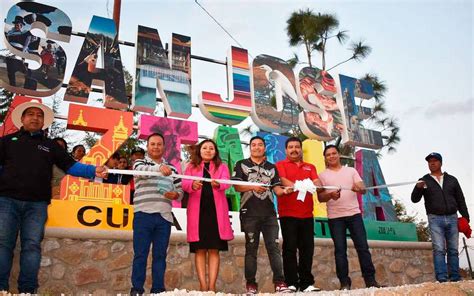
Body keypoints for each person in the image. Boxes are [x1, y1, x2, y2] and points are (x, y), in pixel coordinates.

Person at [0, 100, 107, 294]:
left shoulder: (50, 146)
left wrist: (94, 170)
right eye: (30, 114)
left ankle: (27, 290)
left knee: (32, 247)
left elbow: (71, 166)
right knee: (2, 244)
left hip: (37, 205)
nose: (35, 118)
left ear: (43, 121)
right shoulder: (6, 142)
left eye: (39, 115)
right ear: (22, 119)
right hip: (6, 201)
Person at [316, 145, 382, 290]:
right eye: (328, 155)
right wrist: (330, 195)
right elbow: (320, 198)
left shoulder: (351, 170)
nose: (332, 156)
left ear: (339, 155)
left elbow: (363, 188)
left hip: (354, 215)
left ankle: (370, 281)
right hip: (335, 217)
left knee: (363, 248)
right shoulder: (322, 175)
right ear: (325, 158)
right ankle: (344, 283)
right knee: (340, 250)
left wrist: (359, 188)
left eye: (334, 153)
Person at [232, 136, 292, 294]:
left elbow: (277, 189)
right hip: (249, 214)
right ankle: (251, 285)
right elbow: (237, 186)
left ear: (264, 148)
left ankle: (280, 283)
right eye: (253, 145)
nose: (257, 147)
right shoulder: (241, 164)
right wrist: (253, 187)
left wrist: (285, 191)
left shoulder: (272, 167)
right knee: (251, 249)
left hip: (270, 215)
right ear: (250, 147)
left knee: (274, 248)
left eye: (260, 145)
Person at [130, 133, 183, 295]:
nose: (156, 147)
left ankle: (158, 290)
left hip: (164, 217)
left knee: (160, 256)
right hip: (142, 215)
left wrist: (176, 195)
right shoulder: (139, 162)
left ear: (164, 147)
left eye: (159, 144)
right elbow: (140, 172)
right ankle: (137, 289)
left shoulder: (173, 168)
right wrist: (159, 168)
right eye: (152, 144)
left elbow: (180, 190)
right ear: (147, 146)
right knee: (140, 254)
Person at [182, 139, 233, 292]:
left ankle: (212, 287)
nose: (208, 150)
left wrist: (219, 184)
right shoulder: (191, 166)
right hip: (198, 213)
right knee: (199, 250)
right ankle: (203, 286)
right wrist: (192, 185)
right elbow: (184, 184)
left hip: (216, 213)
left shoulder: (222, 166)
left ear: (215, 151)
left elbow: (227, 182)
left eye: (211, 148)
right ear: (199, 150)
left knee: (214, 250)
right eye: (205, 148)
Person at [411, 152, 470, 282]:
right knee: (438, 249)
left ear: (441, 163)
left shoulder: (452, 180)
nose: (432, 163)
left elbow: (460, 199)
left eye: (435, 160)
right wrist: (418, 188)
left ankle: (455, 277)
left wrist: (466, 217)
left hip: (452, 217)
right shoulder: (424, 180)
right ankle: (442, 278)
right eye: (429, 161)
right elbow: (414, 199)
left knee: (453, 249)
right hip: (434, 218)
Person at [275, 137, 320, 292]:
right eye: (290, 147)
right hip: (288, 213)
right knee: (290, 248)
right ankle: (291, 282)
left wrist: (316, 185)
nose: (294, 149)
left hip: (307, 214)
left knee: (307, 249)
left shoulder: (310, 166)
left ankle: (307, 283)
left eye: (297, 147)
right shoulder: (280, 165)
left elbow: (317, 182)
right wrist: (301, 185)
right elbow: (282, 180)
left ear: (301, 149)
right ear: (286, 150)